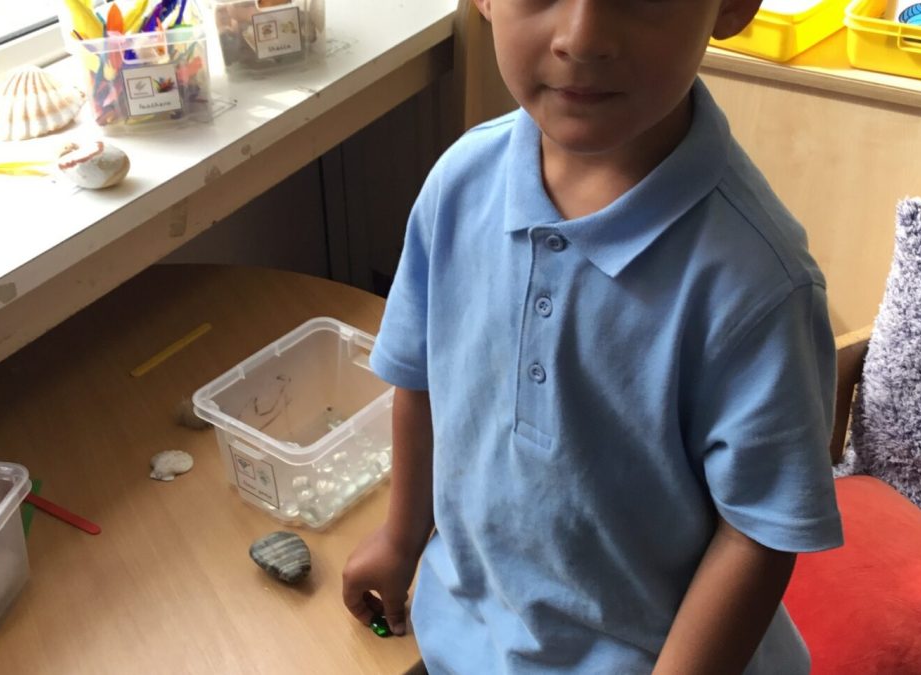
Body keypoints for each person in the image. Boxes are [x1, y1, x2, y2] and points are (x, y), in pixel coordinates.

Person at [342, 0, 843, 672]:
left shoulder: (759, 283)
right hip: (465, 638)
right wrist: (400, 536)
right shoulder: (459, 183)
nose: (582, 38)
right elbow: (421, 378)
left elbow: (757, 533)